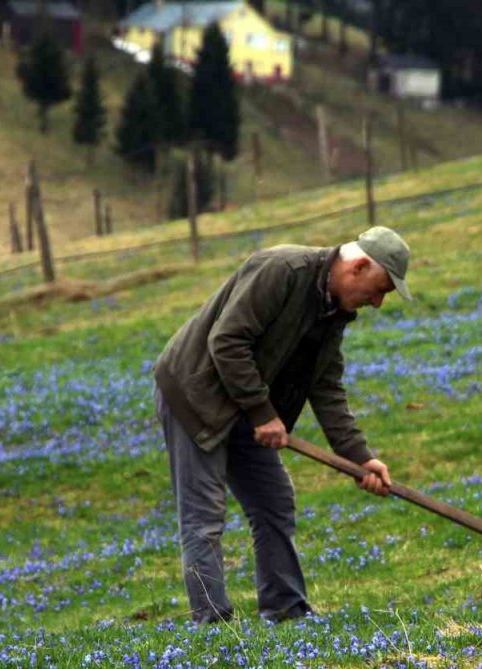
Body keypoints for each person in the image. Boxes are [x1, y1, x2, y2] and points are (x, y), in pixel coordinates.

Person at [153, 226, 412, 624]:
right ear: (358, 266)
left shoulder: (334, 313)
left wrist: (361, 458)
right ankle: (213, 623)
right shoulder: (284, 269)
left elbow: (326, 388)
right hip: (196, 394)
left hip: (247, 405)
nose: (377, 302)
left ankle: (285, 609)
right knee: (204, 514)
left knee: (274, 501)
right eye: (379, 290)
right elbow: (226, 341)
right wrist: (262, 413)